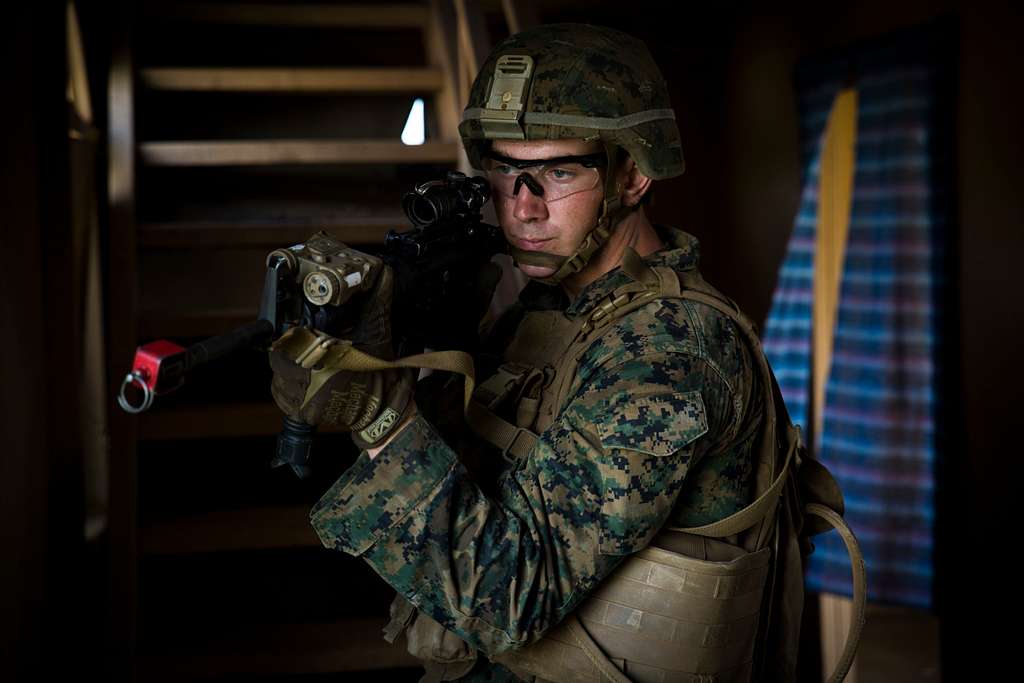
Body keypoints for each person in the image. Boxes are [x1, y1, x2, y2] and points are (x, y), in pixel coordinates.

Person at [270, 24, 776, 683]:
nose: (521, 210)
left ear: (634, 172)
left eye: (558, 171)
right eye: (505, 171)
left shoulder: (669, 348)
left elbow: (508, 595)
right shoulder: (553, 305)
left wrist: (380, 415)